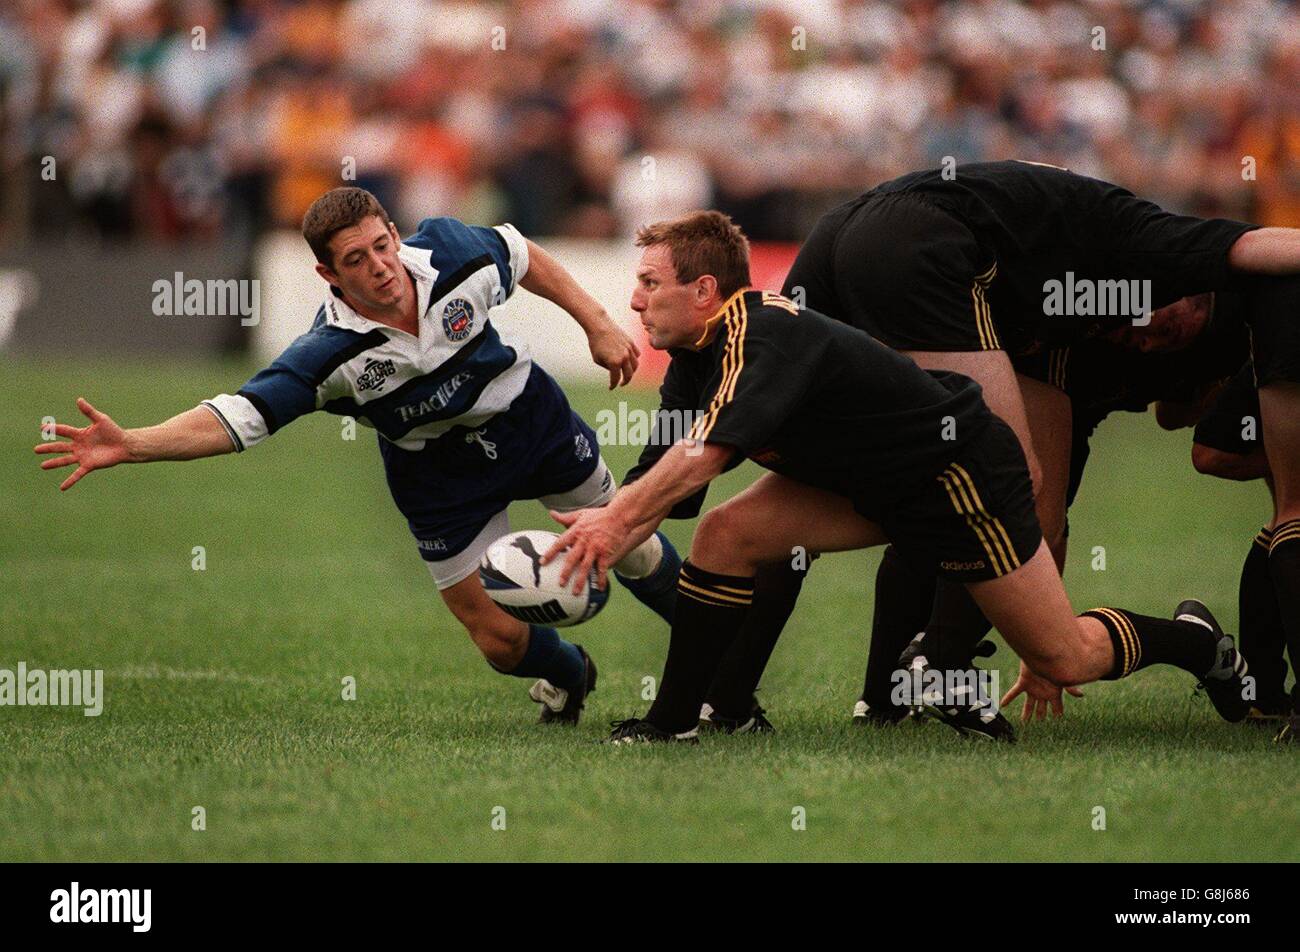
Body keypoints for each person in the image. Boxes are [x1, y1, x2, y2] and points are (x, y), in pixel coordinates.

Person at [542, 210, 1251, 743]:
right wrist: (609, 524)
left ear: (704, 290)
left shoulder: (763, 333)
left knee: (1063, 655)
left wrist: (617, 523)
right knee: (729, 533)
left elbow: (705, 455)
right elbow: (677, 487)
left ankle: (1198, 645)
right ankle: (672, 726)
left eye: (648, 284)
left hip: (958, 476)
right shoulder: (697, 358)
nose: (634, 301)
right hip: (871, 485)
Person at [34, 186, 682, 726]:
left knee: (632, 542)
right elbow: (236, 418)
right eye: (355, 259)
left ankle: (720, 672)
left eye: (381, 245)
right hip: (437, 478)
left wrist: (596, 321)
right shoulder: (327, 354)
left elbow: (521, 253)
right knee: (499, 640)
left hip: (527, 423)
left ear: (395, 233)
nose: (379, 266)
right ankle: (571, 674)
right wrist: (134, 444)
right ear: (327, 273)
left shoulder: (453, 252)